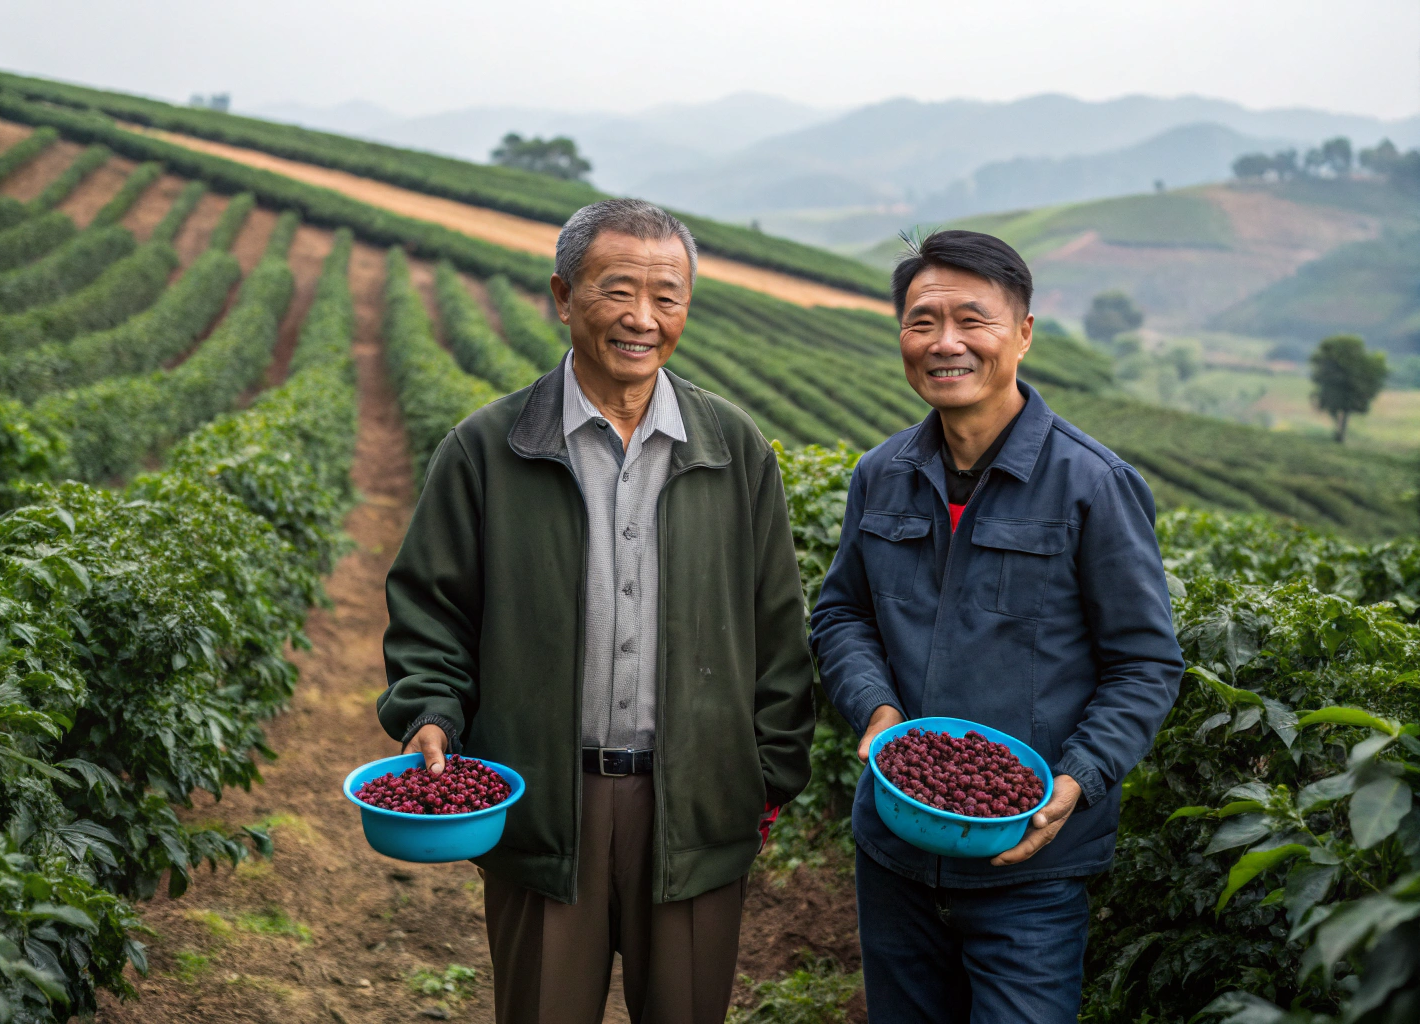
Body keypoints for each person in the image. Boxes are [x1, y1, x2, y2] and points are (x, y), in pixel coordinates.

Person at [375, 198, 815, 1024]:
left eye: (668, 297)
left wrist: (765, 777)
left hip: (694, 809)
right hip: (544, 801)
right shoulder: (488, 448)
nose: (643, 319)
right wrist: (430, 711)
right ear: (563, 295)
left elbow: (778, 629)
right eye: (618, 291)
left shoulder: (733, 448)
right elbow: (431, 608)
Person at [810, 229, 1184, 1023]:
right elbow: (842, 612)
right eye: (922, 321)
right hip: (895, 849)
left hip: (1031, 875)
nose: (944, 342)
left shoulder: (1094, 485)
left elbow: (1145, 664)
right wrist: (878, 714)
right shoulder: (882, 476)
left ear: (1022, 333)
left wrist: (1072, 783)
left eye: (971, 320)